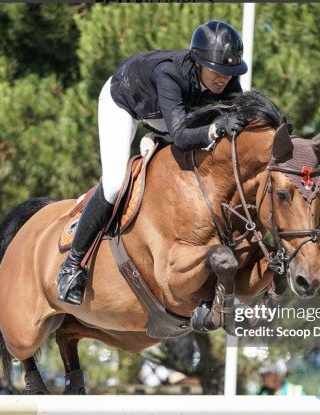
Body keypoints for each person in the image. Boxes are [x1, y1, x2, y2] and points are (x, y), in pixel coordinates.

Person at [56, 20, 249, 305]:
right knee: (114, 184)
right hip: (125, 101)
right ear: (198, 63)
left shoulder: (226, 78)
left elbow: (242, 115)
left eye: (229, 72)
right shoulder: (170, 73)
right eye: (217, 71)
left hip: (171, 112)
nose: (224, 78)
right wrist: (214, 129)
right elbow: (183, 136)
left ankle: (157, 138)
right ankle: (71, 266)